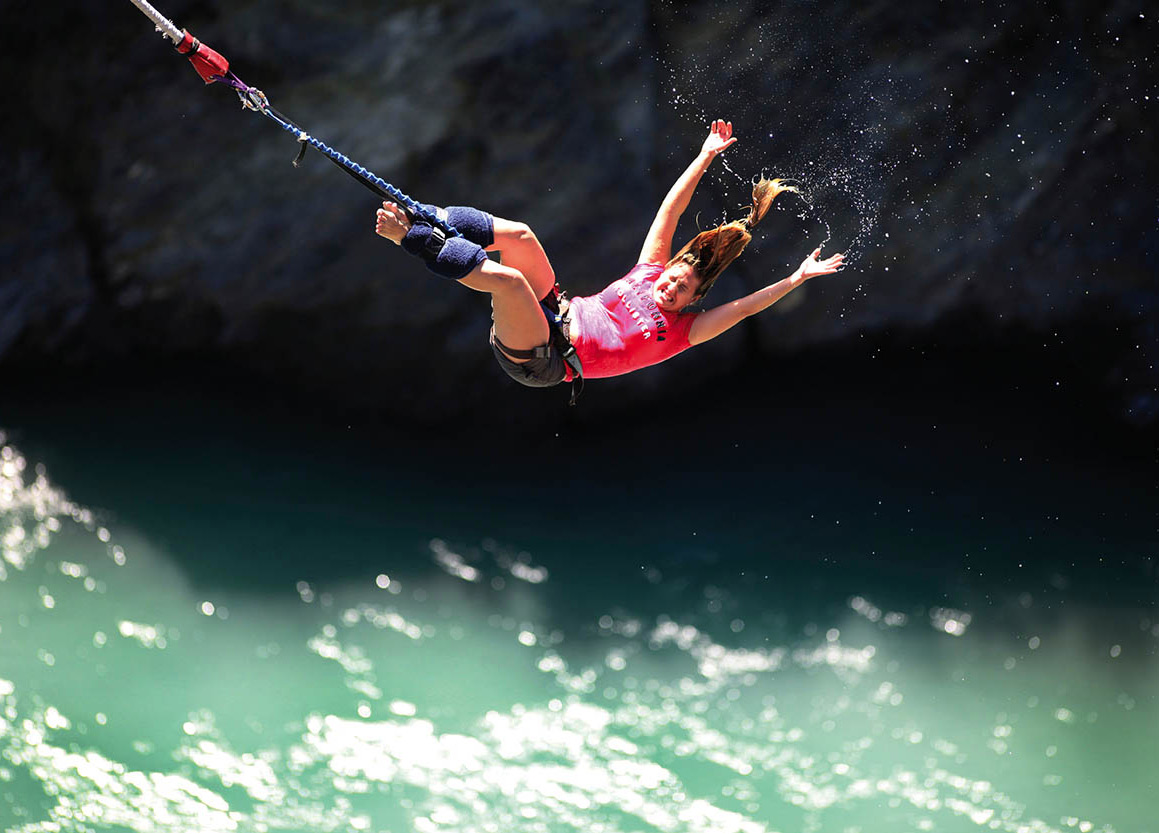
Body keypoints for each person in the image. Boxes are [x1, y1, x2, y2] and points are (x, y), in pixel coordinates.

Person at [374, 119, 844, 399]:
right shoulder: (649, 272)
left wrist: (797, 277)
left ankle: (412, 239)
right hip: (554, 309)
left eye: (681, 291)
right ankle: (430, 215)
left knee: (512, 282)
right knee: (521, 236)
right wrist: (704, 156)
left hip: (544, 359)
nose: (670, 288)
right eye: (673, 278)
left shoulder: (684, 333)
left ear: (694, 300)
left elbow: (743, 309)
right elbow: (671, 210)